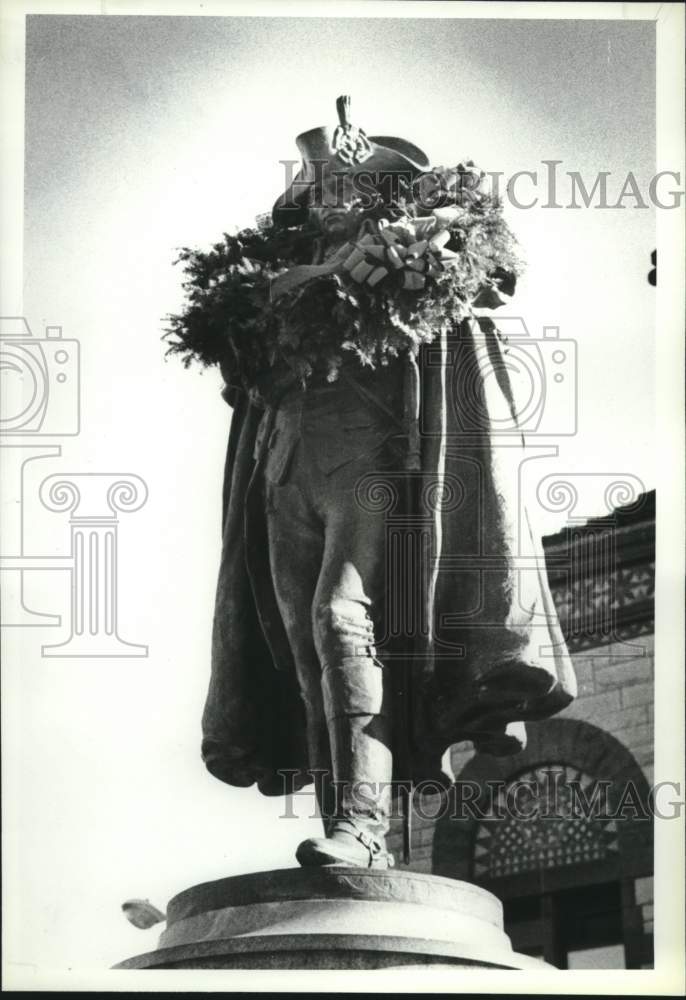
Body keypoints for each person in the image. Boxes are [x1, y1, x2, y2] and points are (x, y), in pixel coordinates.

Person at [201, 98, 577, 869]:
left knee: (342, 616)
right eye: (317, 191)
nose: (327, 200)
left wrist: (390, 256)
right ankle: (346, 822)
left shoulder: (416, 256)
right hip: (284, 464)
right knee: (307, 647)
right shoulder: (274, 291)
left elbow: (489, 275)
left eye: (343, 185)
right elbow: (233, 352)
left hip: (376, 464)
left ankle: (362, 829)